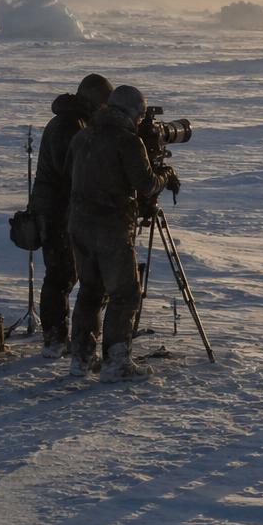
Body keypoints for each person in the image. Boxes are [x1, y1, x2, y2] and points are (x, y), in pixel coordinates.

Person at [66, 84, 175, 382]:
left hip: (79, 224)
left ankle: (81, 358)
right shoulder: (127, 141)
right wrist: (165, 176)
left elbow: (68, 173)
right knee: (124, 294)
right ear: (131, 112)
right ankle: (117, 362)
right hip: (111, 227)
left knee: (90, 290)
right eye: (140, 115)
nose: (140, 122)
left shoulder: (83, 136)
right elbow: (146, 184)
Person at [28, 73, 113, 358]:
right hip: (57, 211)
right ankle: (55, 338)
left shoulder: (76, 122)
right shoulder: (69, 125)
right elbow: (73, 171)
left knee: (63, 275)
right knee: (60, 275)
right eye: (104, 103)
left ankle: (58, 337)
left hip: (61, 209)